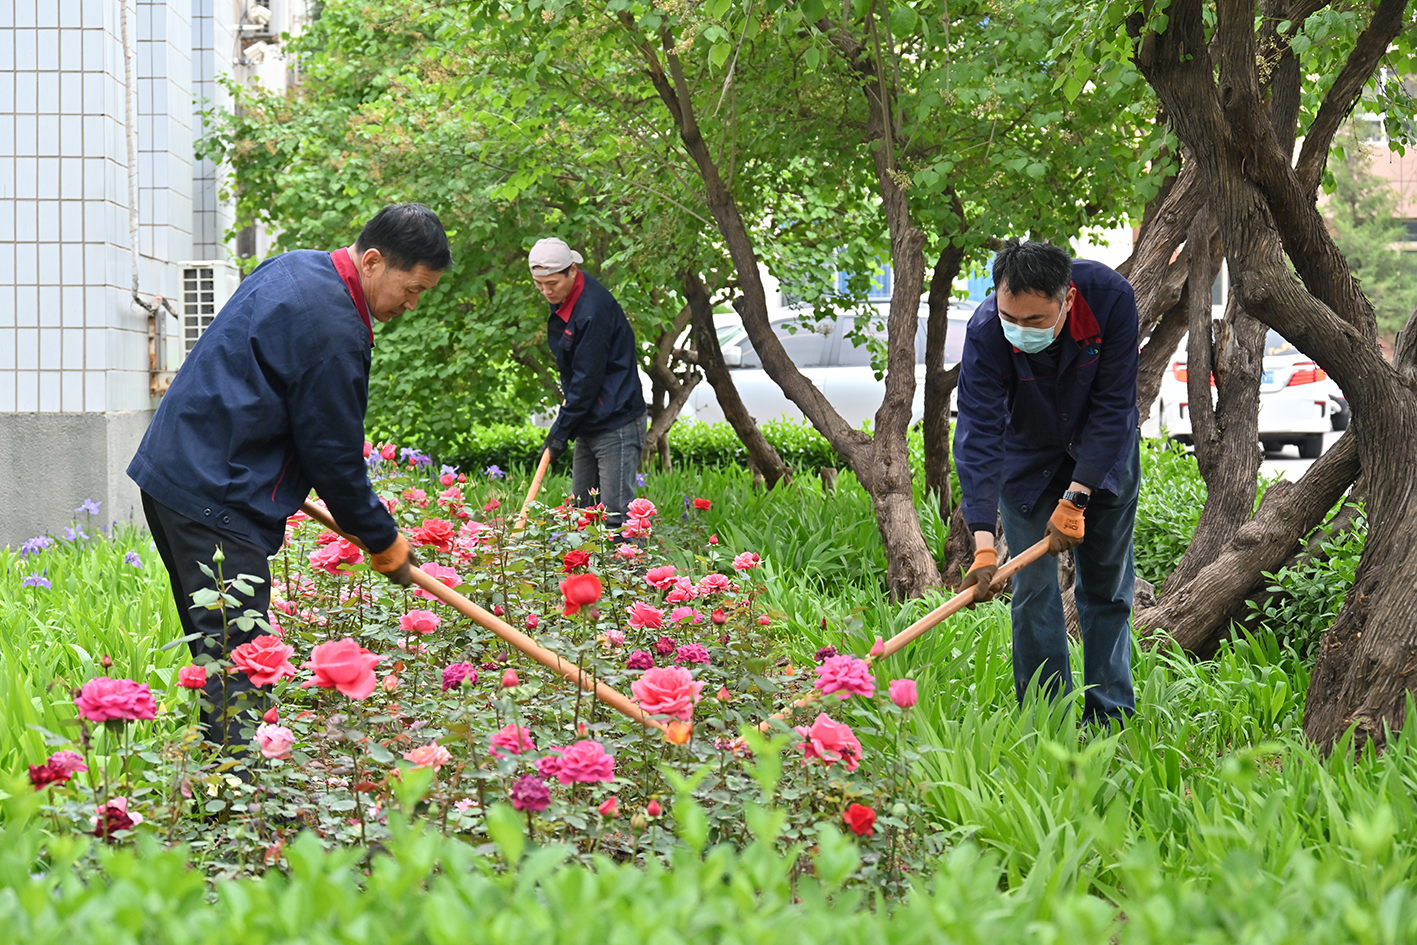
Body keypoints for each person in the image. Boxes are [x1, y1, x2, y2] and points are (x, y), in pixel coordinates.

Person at [128, 203, 452, 746]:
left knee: (220, 660)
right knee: (241, 667)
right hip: (214, 498)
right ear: (373, 261)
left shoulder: (298, 266)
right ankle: (235, 790)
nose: (412, 304)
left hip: (178, 470)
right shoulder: (335, 329)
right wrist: (383, 539)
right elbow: (334, 457)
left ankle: (219, 779)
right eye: (412, 288)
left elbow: (258, 382)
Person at [953, 238, 1140, 725]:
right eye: (1009, 318)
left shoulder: (1110, 299)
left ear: (1068, 299)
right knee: (1033, 591)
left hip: (1103, 454)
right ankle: (1045, 721)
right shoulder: (986, 331)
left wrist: (1076, 498)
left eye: (1035, 320)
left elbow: (1114, 407)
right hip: (1028, 460)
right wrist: (983, 545)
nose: (1019, 331)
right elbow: (978, 434)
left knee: (1107, 589)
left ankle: (1110, 719)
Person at [530, 237, 647, 528]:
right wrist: (565, 427)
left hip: (616, 421)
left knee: (617, 518)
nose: (546, 291)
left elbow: (586, 381)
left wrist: (559, 434)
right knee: (583, 513)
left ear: (572, 270)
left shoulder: (592, 311)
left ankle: (628, 559)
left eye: (552, 283)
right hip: (589, 419)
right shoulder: (565, 298)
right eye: (538, 284)